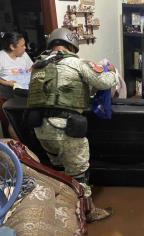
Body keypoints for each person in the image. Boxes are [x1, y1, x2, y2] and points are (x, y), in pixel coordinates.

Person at [27, 28, 120, 222]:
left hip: (40, 128)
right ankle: (88, 212)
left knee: (58, 168)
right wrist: (112, 72)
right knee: (79, 172)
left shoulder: (37, 65)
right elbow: (103, 82)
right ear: (71, 45)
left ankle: (64, 207)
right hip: (65, 127)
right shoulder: (76, 63)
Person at [0, 32, 33, 138]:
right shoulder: (1, 57)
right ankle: (17, 148)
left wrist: (29, 72)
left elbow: (31, 68)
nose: (25, 48)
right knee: (13, 122)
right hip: (7, 94)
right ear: (12, 46)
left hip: (24, 92)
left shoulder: (24, 55)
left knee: (26, 121)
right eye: (22, 45)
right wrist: (7, 82)